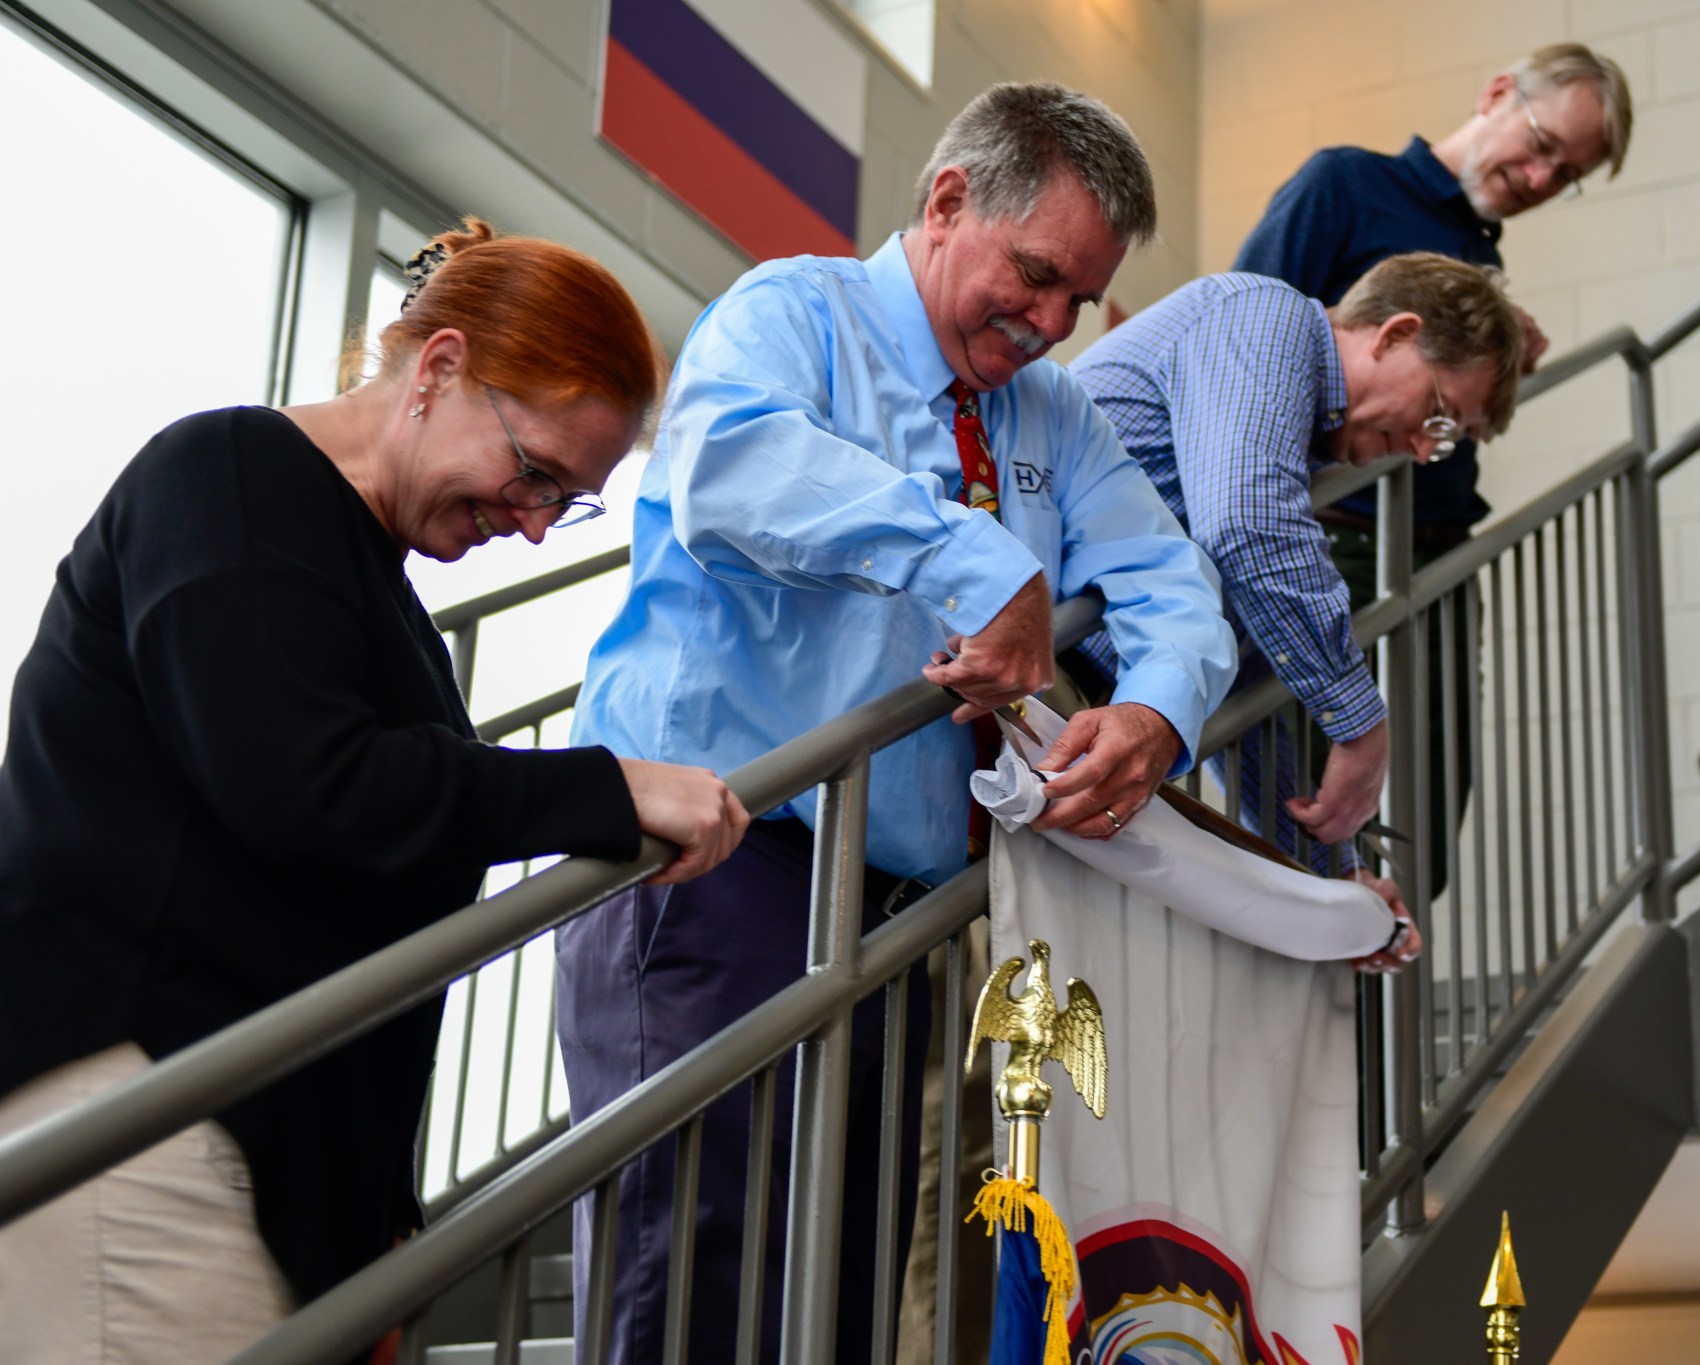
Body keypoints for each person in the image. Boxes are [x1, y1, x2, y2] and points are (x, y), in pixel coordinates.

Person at [557, 81, 1236, 1365]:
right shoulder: (788, 315)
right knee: (697, 1281)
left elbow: (1167, 586)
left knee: (841, 1297)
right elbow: (727, 471)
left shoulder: (1053, 413)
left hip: (896, 909)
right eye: (1033, 276)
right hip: (719, 866)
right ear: (944, 203)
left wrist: (1153, 713)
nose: (1048, 323)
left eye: (1077, 301)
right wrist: (986, 566)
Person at [0, 220, 749, 1365]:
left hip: (269, 1139)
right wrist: (605, 785)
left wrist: (373, 1225)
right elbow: (307, 787)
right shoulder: (231, 477)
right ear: (439, 369)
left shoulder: (378, 591)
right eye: (536, 471)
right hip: (147, 1105)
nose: (538, 524)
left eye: (572, 502)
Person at [1233, 42, 1631, 895]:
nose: (1540, 177)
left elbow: (1437, 423)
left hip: (1441, 554)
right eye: (1543, 144)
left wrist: (1497, 362)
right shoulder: (1342, 184)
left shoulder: (1476, 250)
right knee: (1310, 826)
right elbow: (1241, 344)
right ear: (1496, 93)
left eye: (1568, 174)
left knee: (1422, 841)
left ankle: (1383, 1018)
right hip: (1337, 546)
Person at [1071, 252, 1521, 920]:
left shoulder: (1282, 436)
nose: (1426, 452)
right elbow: (1247, 523)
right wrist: (1361, 723)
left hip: (1069, 688)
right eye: (1440, 414)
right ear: (1395, 333)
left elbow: (1240, 677)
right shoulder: (1263, 316)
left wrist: (1337, 879)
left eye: (1448, 441)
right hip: (1015, 662)